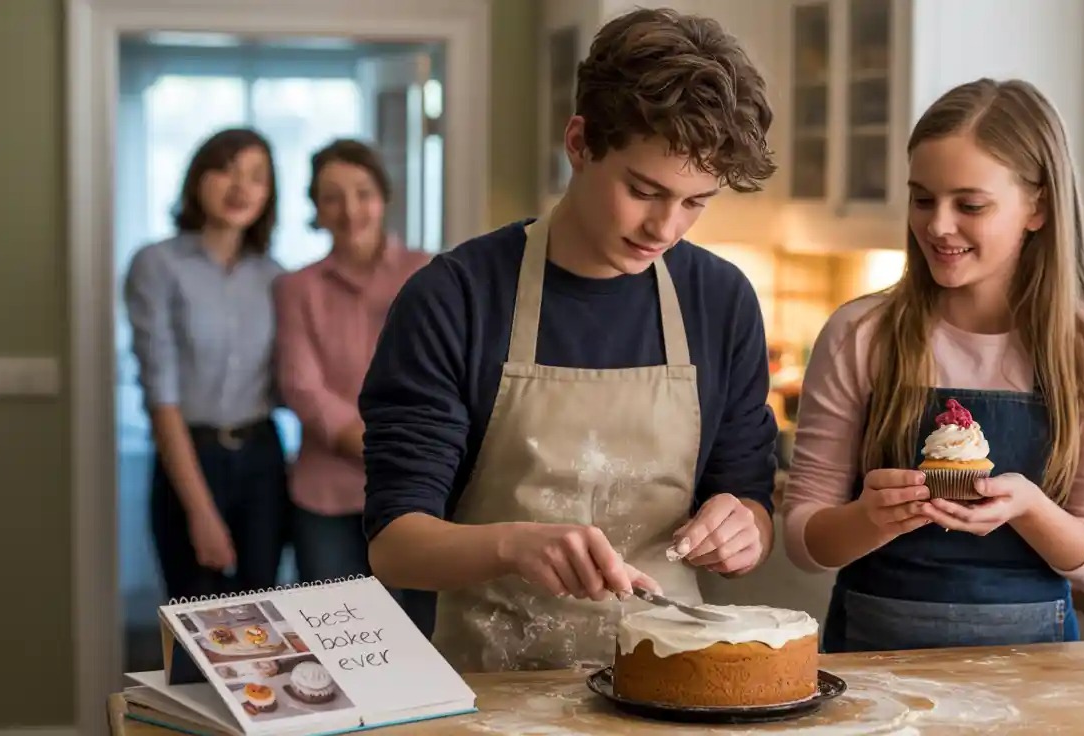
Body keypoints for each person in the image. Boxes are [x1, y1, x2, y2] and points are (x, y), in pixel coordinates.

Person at [360, 7, 780, 670]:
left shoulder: (721, 301)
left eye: (696, 201)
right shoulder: (456, 298)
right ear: (580, 143)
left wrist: (744, 529)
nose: (666, 228)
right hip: (495, 688)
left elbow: (750, 497)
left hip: (670, 681)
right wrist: (513, 545)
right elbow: (394, 544)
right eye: (644, 190)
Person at [780, 78, 1084, 653]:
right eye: (922, 198)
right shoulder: (861, 334)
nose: (937, 225)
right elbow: (805, 540)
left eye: (970, 204)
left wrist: (1029, 508)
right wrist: (868, 519)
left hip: (1035, 673)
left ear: (1039, 207)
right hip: (874, 665)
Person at [124, 127, 290, 601]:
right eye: (226, 170)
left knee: (263, 618)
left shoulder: (277, 277)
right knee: (197, 615)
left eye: (257, 177)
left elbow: (288, 381)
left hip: (263, 456)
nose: (241, 187)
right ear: (199, 178)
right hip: (190, 456)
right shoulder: (157, 265)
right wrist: (200, 510)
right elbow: (161, 395)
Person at [274, 140, 431, 606]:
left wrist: (402, 458)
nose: (350, 209)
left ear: (383, 198)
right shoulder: (296, 287)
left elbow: (440, 378)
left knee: (418, 645)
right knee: (334, 643)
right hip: (326, 497)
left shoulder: (429, 273)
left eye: (363, 192)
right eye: (332, 197)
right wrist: (381, 450)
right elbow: (303, 387)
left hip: (415, 494)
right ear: (316, 209)